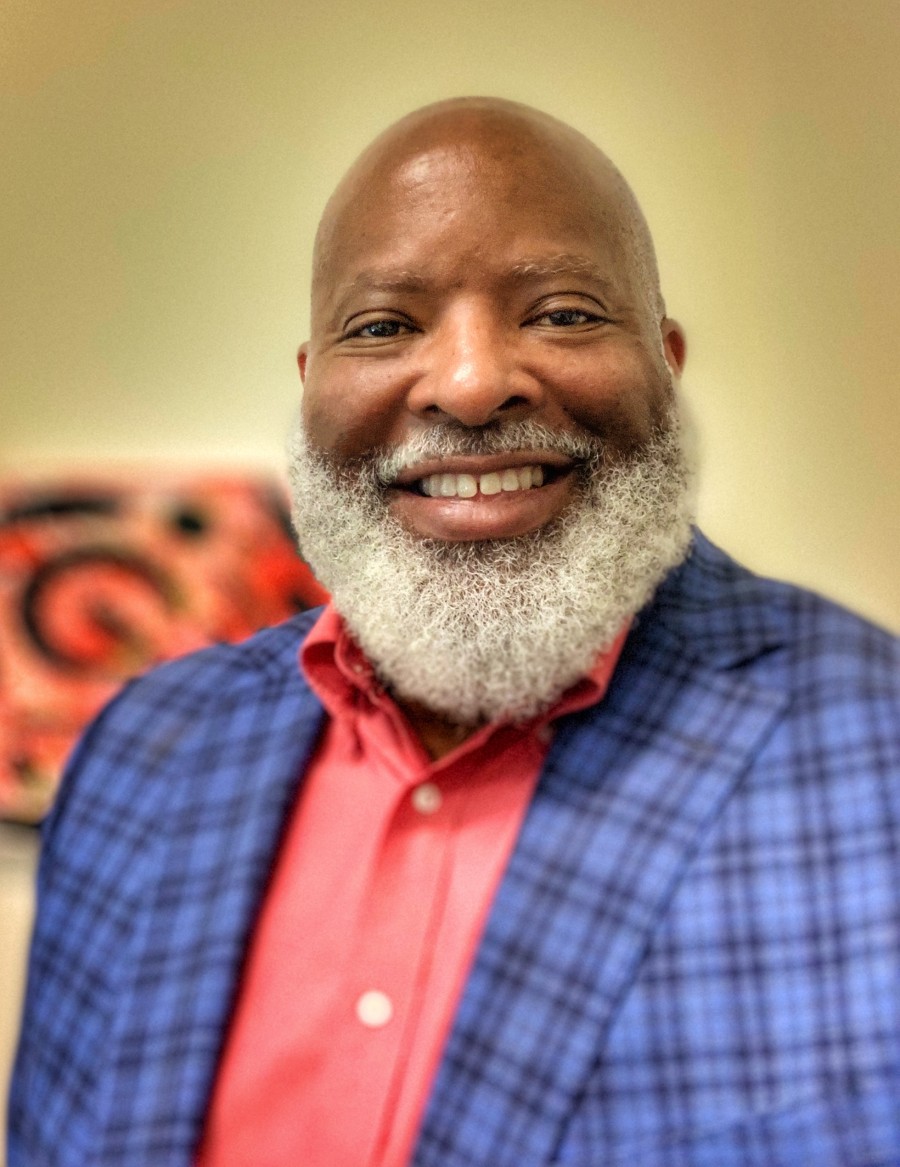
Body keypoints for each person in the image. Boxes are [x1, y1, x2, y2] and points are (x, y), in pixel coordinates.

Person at [9, 97, 900, 1166]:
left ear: (665, 360)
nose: (473, 385)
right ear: (312, 386)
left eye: (563, 312)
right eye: (384, 327)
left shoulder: (875, 750)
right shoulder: (140, 758)